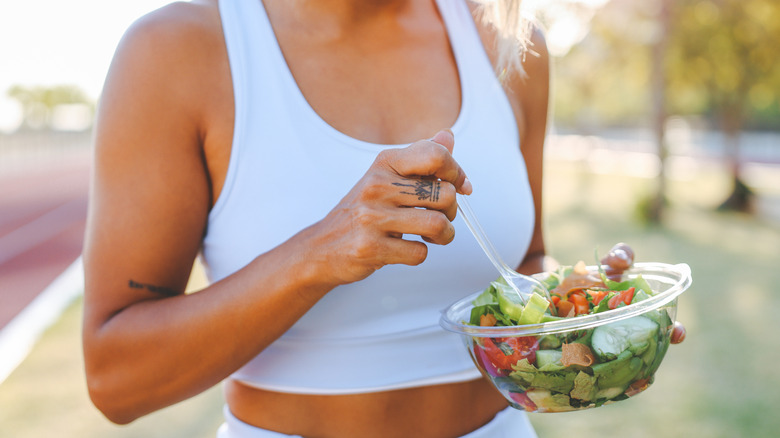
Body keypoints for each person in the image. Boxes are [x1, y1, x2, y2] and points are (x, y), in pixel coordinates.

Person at [82, 0, 685, 437]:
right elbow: (117, 379)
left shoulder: (504, 35)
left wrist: (583, 312)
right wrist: (317, 254)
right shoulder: (178, 50)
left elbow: (525, 263)